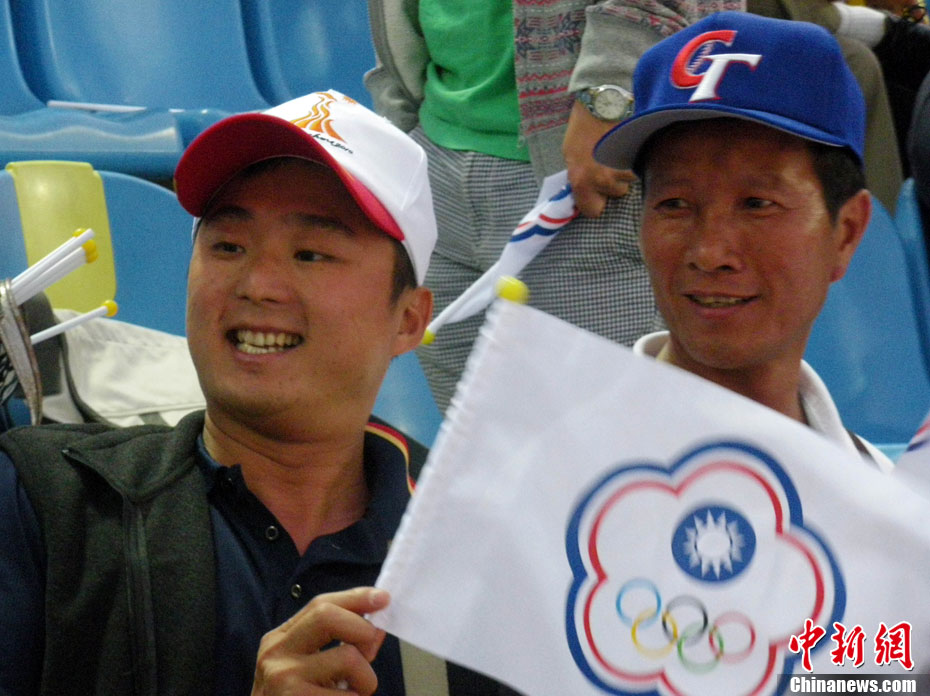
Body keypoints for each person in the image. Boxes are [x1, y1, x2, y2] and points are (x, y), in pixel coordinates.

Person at [0, 91, 508, 695]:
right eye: (228, 247)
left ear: (408, 320)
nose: (258, 284)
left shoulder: (485, 560)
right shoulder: (47, 501)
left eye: (311, 254)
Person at [366, 0, 743, 412]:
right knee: (477, 444)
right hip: (435, 165)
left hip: (589, 169)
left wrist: (611, 89)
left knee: (616, 438)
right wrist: (398, 122)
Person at [593, 11, 895, 469]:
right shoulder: (549, 480)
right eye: (675, 204)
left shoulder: (881, 495)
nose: (710, 253)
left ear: (847, 232)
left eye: (757, 204)